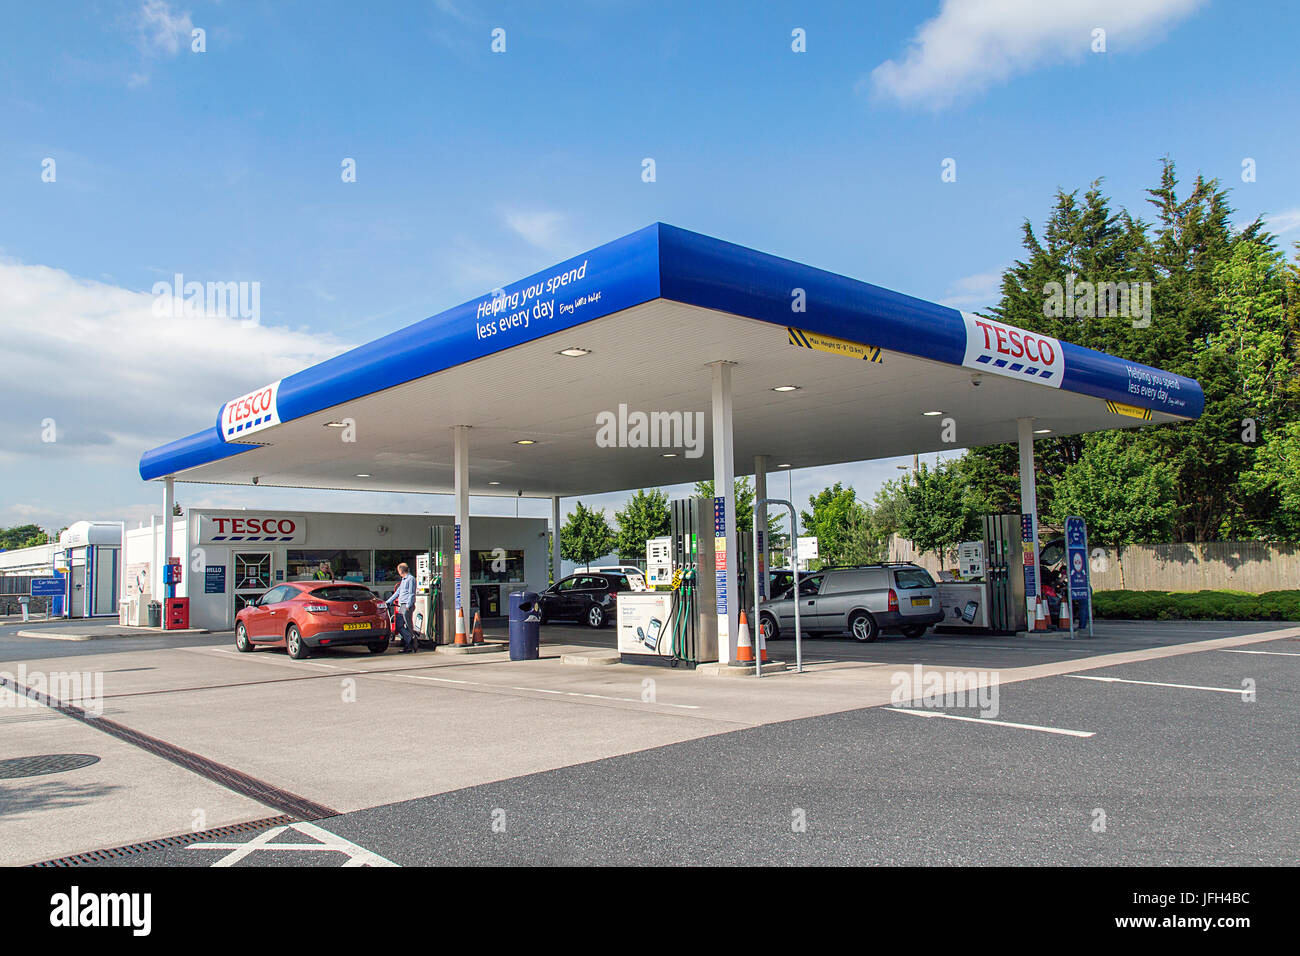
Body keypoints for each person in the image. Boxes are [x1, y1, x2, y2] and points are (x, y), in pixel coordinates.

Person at [386, 562, 418, 653]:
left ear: (400, 570)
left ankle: (411, 642)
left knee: (408, 625)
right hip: (402, 605)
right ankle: (410, 640)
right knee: (399, 625)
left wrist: (408, 605)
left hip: (406, 605)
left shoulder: (410, 579)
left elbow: (411, 593)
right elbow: (397, 593)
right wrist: (388, 602)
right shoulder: (403, 580)